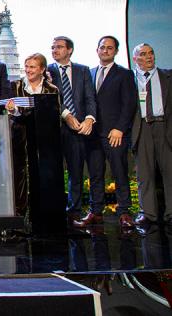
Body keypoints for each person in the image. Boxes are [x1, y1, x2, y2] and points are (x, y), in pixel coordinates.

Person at [75, 36, 136, 229]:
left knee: (119, 173)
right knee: (95, 174)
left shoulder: (124, 75)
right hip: (92, 133)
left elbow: (129, 104)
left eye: (110, 48)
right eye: (102, 47)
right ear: (97, 50)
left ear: (116, 51)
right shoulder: (88, 73)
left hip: (115, 134)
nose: (105, 50)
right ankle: (95, 211)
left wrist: (120, 128)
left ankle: (125, 212)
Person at [47, 36, 97, 224]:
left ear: (70, 50)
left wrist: (89, 119)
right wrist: (66, 115)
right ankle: (54, 211)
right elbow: (48, 98)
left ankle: (74, 211)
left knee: (76, 172)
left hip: (78, 129)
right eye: (52, 47)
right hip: (55, 128)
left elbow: (90, 98)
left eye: (59, 47)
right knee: (53, 172)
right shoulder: (47, 71)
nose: (54, 50)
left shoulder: (83, 71)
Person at [7, 53, 60, 217]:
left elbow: (54, 113)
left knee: (43, 173)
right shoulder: (15, 86)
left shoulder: (52, 89)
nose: (29, 70)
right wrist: (13, 110)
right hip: (20, 136)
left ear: (42, 69)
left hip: (44, 139)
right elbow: (14, 113)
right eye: (27, 66)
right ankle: (20, 213)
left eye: (33, 67)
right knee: (19, 173)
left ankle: (44, 214)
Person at [131, 43, 172, 228]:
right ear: (135, 59)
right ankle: (148, 213)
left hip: (165, 126)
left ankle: (171, 213)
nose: (149, 57)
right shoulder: (129, 79)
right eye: (143, 54)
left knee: (169, 171)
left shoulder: (168, 76)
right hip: (142, 127)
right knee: (144, 174)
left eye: (151, 53)